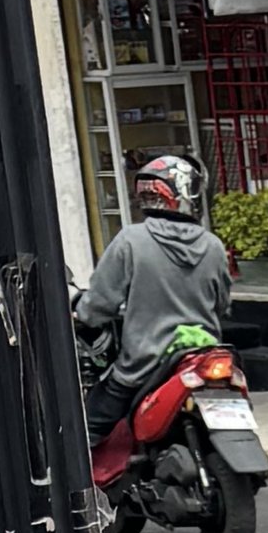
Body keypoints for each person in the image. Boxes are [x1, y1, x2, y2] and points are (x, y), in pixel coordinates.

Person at [76, 154, 231, 447]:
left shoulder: (131, 240)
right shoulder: (213, 246)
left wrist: (81, 317)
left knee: (87, 430)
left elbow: (99, 305)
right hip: (204, 356)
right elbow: (222, 304)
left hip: (145, 364)